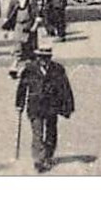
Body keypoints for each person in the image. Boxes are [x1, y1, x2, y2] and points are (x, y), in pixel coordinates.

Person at [15, 45, 75, 173]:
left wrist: (68, 106)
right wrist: (19, 104)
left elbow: (65, 87)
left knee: (51, 133)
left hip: (52, 106)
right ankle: (39, 160)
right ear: (37, 57)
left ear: (50, 57)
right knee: (37, 133)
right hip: (35, 106)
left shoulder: (57, 69)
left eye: (46, 57)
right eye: (41, 57)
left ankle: (48, 155)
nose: (44, 60)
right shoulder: (30, 69)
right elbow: (22, 87)